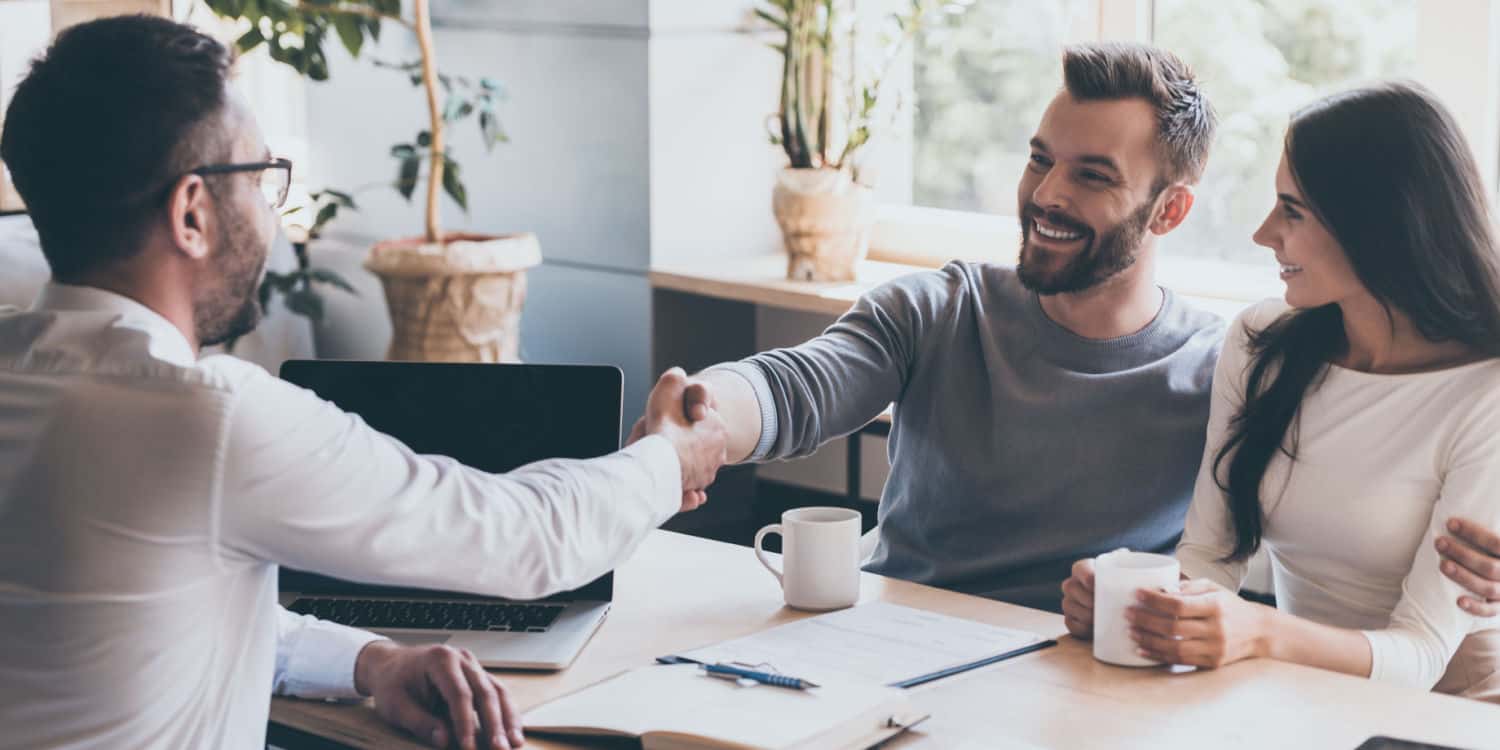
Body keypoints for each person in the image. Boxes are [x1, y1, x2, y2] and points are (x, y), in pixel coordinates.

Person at [0, 16, 727, 750]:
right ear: (192, 213)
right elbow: (520, 537)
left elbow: (150, 613)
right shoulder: (202, 419)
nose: (270, 211)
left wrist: (369, 660)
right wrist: (670, 455)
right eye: (258, 176)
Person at [638, 41, 1223, 613]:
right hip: (901, 657)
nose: (1046, 195)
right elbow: (797, 389)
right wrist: (701, 413)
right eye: (1040, 159)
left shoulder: (1216, 370)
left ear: (1169, 210)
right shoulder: (941, 309)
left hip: (1091, 679)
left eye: (1093, 176)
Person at [1062, 82, 1500, 702]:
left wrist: (1261, 632)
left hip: (1455, 711)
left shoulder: (1486, 392)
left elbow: (1422, 656)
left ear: (1380, 226)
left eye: (1292, 211)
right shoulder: (1263, 342)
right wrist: (1130, 601)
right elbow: (1210, 560)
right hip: (1306, 694)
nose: (1264, 233)